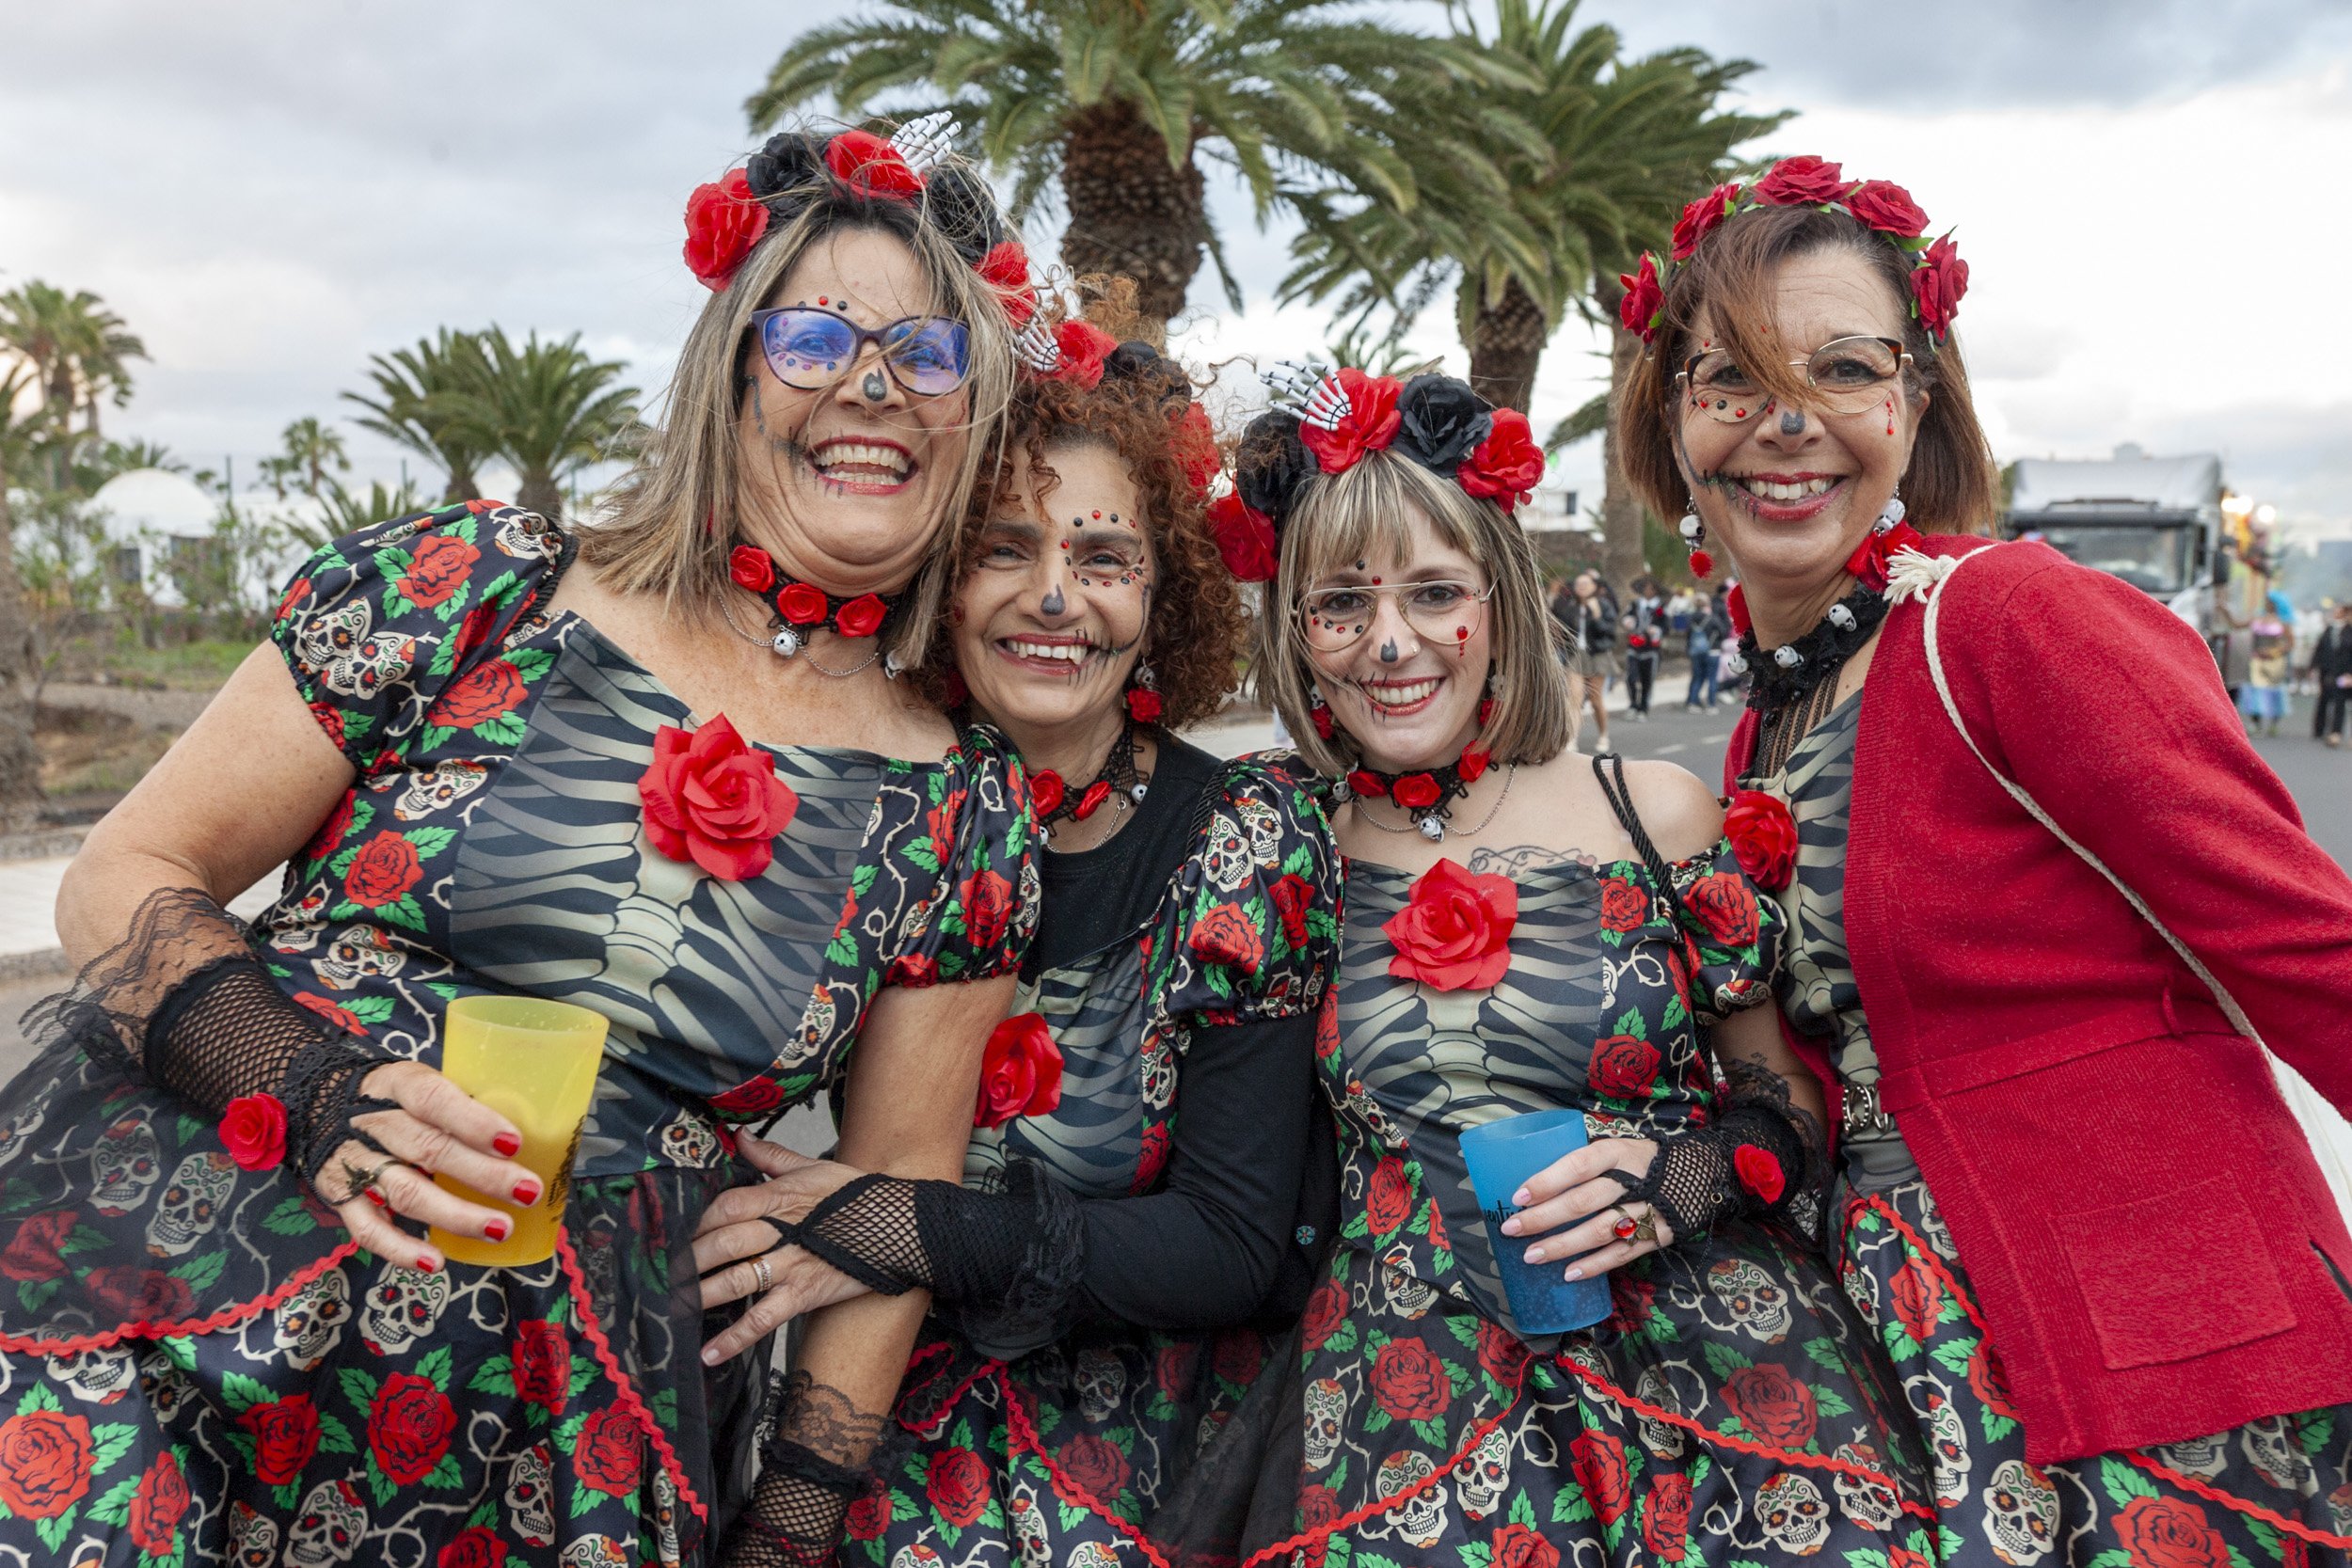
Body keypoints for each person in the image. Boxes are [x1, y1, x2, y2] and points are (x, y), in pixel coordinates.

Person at [0, 123, 1041, 1568]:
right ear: (733, 374)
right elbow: (118, 876)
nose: (872, 384)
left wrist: (788, 1527)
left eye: (929, 358)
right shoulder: (473, 585)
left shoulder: (964, 818)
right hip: (179, 1298)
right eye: (816, 337)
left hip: (550, 1448)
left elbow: (889, 1223)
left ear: (971, 420)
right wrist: (311, 1087)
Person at [1618, 154, 2352, 1560]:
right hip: (1917, 1344)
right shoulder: (1769, 718)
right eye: (1731, 379)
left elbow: (2304, 945)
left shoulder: (2008, 619)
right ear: (1674, 420)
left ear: (1917, 403)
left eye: (1842, 366)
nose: (1787, 422)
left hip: (2164, 1349)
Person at [1160, 366, 1934, 1568]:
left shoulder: (1658, 813)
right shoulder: (1278, 839)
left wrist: (1680, 1175)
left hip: (1722, 1370)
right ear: (1296, 633)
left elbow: (1785, 1107)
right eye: (1340, 603)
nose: (1390, 642)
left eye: (1432, 592)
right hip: (1401, 1404)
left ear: (1498, 600)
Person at [687, 311, 1342, 1566]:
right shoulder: (867, 803)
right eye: (1005, 547)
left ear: (1163, 596)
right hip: (861, 1403)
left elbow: (1237, 1243)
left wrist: (898, 1223)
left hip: (1153, 1460)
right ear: (940, 574)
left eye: (1104, 555)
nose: (1055, 594)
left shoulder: (1245, 835)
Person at [1554, 570, 1614, 749]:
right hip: (1576, 656)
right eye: (1578, 584)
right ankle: (1572, 739)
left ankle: (1603, 734)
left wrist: (1596, 615)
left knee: (1596, 700)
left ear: (1594, 587)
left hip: (1598, 655)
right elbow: (1562, 629)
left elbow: (1609, 632)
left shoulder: (1603, 605)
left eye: (1586, 584)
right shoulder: (1570, 607)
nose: (1581, 587)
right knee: (1574, 698)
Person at [1620, 575, 1667, 720]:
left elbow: (1665, 625)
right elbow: (1625, 618)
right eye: (1645, 588)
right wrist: (1627, 622)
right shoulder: (1635, 605)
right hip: (1634, 646)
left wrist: (1656, 630)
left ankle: (1643, 708)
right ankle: (1633, 704)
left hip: (1651, 649)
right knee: (1631, 677)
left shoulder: (1660, 607)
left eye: (1651, 589)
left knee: (1647, 680)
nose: (1647, 591)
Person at [2242, 613, 2292, 736]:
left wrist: (2273, 652)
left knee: (2275, 692)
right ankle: (2255, 722)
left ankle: (2274, 724)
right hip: (2258, 661)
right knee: (2256, 690)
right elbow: (2236, 625)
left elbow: (2289, 644)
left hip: (2274, 662)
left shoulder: (2283, 624)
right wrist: (2224, 610)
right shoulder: (2256, 619)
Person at [2312, 600, 2352, 746]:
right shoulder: (2335, 630)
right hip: (2340, 673)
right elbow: (2327, 651)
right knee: (2339, 702)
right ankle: (2336, 732)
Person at [1686, 583, 1730, 710]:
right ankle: (1711, 704)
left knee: (1697, 677)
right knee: (1712, 678)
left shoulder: (1692, 618)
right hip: (1713, 650)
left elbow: (1688, 636)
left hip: (1696, 651)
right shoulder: (1712, 617)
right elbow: (1723, 631)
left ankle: (1693, 702)